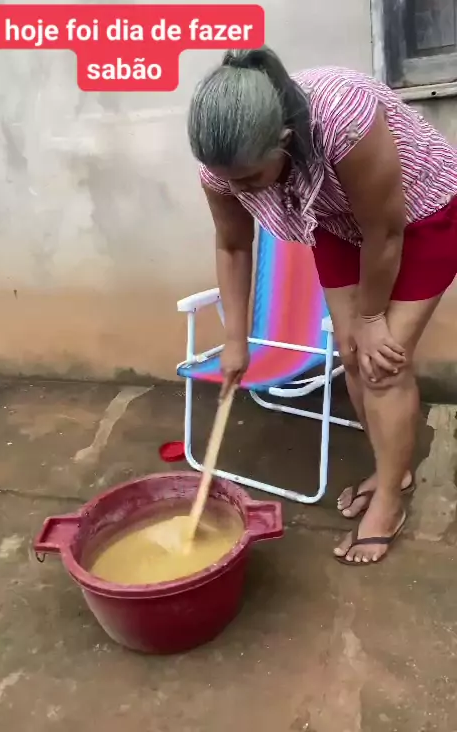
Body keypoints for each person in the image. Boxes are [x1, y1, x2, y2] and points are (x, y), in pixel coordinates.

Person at [187, 45, 457, 566]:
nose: (238, 190)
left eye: (250, 179)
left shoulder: (343, 119)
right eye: (228, 180)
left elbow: (385, 231)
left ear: (285, 140)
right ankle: (392, 468)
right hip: (336, 222)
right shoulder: (223, 165)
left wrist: (373, 317)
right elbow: (234, 246)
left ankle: (389, 502)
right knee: (351, 353)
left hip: (421, 216)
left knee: (382, 365)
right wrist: (236, 341)